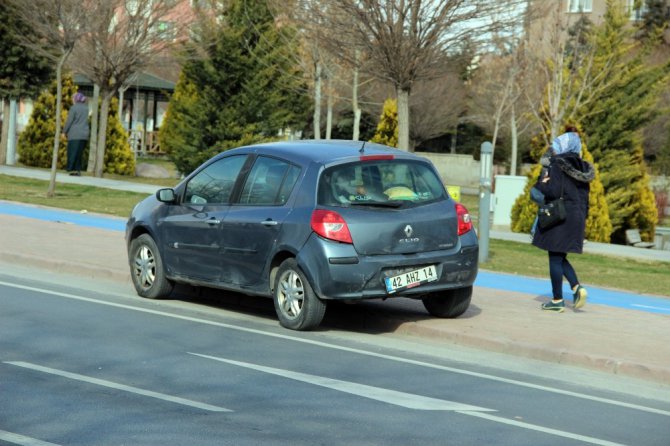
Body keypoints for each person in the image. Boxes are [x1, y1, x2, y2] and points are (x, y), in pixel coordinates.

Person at [531, 127, 594, 312]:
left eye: (557, 145)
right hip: (577, 216)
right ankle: (576, 287)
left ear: (564, 146)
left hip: (560, 215)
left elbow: (552, 191)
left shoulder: (557, 164)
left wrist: (542, 183)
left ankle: (558, 300)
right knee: (559, 255)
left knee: (554, 257)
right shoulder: (583, 167)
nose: (555, 149)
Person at [63, 92, 90, 176]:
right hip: (84, 134)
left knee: (72, 152)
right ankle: (77, 170)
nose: (72, 100)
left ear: (76, 99)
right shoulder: (86, 108)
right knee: (79, 153)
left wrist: (64, 132)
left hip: (75, 134)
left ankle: (71, 169)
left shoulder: (74, 108)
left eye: (72, 98)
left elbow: (69, 121)